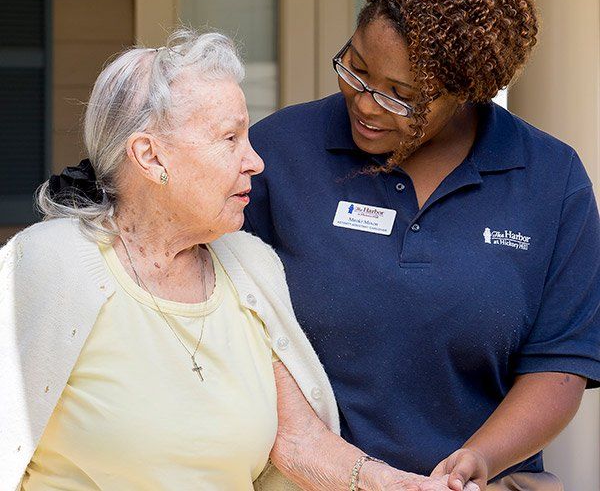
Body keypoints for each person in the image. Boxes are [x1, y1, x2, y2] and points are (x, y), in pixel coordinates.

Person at [0, 29, 471, 491]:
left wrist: (399, 486)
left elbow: (297, 438)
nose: (256, 161)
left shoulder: (250, 264)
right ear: (150, 156)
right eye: (230, 139)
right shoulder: (48, 264)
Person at [243, 0, 600, 491]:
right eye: (355, 68)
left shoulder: (550, 181)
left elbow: (560, 364)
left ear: (467, 91)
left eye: (399, 94)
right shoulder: (278, 152)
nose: (363, 102)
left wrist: (478, 458)